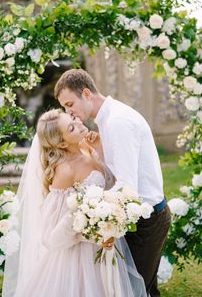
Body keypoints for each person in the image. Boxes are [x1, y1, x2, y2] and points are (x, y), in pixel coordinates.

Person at [2, 109, 146, 297]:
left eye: (73, 118)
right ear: (62, 142)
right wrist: (93, 232)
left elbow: (110, 185)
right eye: (71, 128)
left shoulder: (88, 146)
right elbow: (51, 237)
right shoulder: (65, 171)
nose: (78, 124)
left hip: (107, 239)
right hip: (79, 256)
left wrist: (100, 151)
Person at [55, 69, 171, 297]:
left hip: (146, 222)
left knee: (136, 291)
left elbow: (127, 188)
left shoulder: (118, 121)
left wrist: (89, 214)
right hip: (139, 217)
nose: (70, 113)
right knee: (141, 289)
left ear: (86, 93)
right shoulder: (108, 118)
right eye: (65, 108)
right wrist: (100, 152)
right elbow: (122, 171)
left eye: (70, 104)